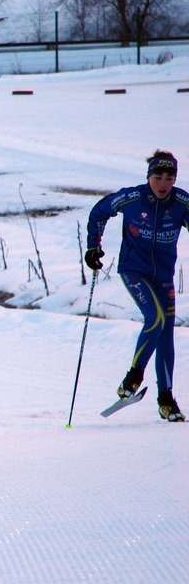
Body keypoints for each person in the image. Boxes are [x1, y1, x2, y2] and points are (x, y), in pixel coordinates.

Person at [85, 149, 186, 422]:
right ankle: (133, 377)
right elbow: (98, 212)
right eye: (158, 176)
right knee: (155, 320)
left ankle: (166, 399)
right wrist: (93, 247)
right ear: (148, 176)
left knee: (166, 332)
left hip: (163, 276)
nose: (164, 183)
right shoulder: (131, 198)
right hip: (134, 271)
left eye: (170, 177)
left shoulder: (181, 203)